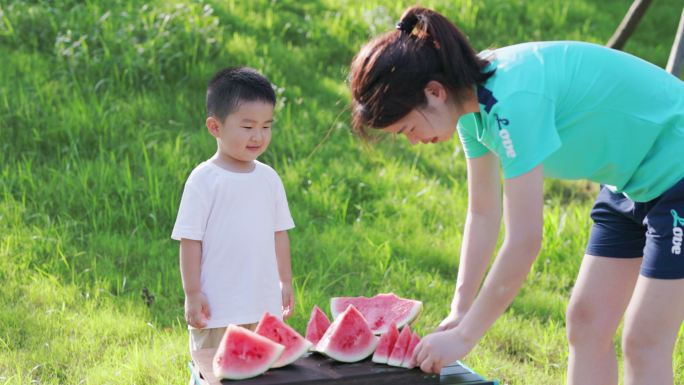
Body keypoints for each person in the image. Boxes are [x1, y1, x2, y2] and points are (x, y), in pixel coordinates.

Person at [348, 5, 684, 385]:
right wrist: (461, 308)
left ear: (434, 92)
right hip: (632, 182)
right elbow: (482, 214)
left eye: (407, 127)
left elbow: (525, 240)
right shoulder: (472, 110)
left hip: (678, 171)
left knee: (644, 340)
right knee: (587, 322)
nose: (413, 141)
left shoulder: (511, 99)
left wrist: (464, 336)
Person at [171, 67, 296, 356]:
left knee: (266, 369)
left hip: (263, 304)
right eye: (248, 126)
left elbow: (280, 235)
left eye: (267, 126)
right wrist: (192, 293)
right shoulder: (203, 179)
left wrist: (285, 281)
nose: (259, 136)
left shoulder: (269, 178)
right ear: (215, 127)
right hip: (218, 308)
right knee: (212, 369)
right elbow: (190, 242)